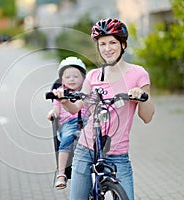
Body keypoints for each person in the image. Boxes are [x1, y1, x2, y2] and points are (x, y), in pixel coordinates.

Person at [53, 18, 155, 199]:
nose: (108, 48)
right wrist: (63, 101)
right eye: (103, 44)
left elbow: (147, 117)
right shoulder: (93, 76)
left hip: (118, 154)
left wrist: (141, 96)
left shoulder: (138, 74)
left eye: (112, 42)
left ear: (123, 44)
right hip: (86, 149)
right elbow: (77, 107)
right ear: (98, 47)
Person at [47, 56, 88, 190]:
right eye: (68, 77)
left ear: (83, 78)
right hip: (69, 123)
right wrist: (52, 113)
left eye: (75, 76)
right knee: (67, 138)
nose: (71, 79)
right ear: (62, 80)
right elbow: (56, 109)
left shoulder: (86, 92)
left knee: (100, 134)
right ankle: (61, 173)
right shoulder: (60, 94)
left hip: (87, 122)